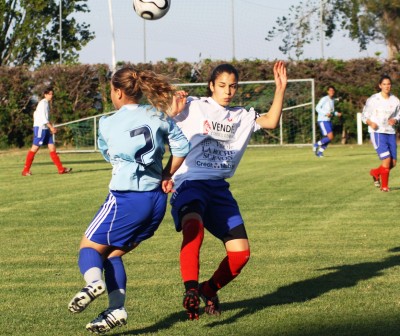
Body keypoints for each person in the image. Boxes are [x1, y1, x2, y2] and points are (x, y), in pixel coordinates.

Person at [67, 67, 190, 334]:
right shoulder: (158, 114)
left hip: (125, 198)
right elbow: (182, 147)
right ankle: (116, 309)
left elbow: (108, 155)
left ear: (118, 91)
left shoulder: (108, 123)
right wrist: (167, 172)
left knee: (88, 248)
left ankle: (93, 283)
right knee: (112, 253)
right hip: (156, 202)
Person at [169, 61, 287, 320]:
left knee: (241, 254)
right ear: (211, 85)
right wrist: (171, 106)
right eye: (222, 85)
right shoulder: (193, 106)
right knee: (193, 227)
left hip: (219, 190)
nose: (227, 91)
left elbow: (270, 121)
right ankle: (190, 289)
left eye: (232, 86)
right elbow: (162, 115)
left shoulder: (241, 116)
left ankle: (208, 290)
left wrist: (280, 89)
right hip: (189, 183)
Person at [362, 74, 400, 192]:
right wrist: (370, 123)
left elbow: (399, 115)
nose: (387, 86)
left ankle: (375, 172)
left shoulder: (395, 100)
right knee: (387, 160)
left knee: (393, 163)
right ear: (380, 86)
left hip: (390, 132)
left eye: (388, 84)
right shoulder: (373, 99)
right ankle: (384, 187)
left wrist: (395, 120)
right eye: (384, 84)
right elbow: (364, 115)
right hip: (377, 132)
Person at [21, 87, 72, 176]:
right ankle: (25, 170)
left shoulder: (46, 103)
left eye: (52, 94)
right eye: (49, 94)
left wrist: (48, 127)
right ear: (45, 95)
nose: (51, 96)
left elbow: (38, 115)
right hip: (41, 128)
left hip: (45, 129)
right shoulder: (43, 103)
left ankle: (60, 169)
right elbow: (43, 118)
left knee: (52, 148)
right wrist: (51, 127)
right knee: (34, 148)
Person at [313, 85, 342, 157]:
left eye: (333, 90)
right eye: (330, 90)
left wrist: (336, 113)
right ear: (327, 91)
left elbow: (331, 111)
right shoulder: (324, 99)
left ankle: (320, 152)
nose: (331, 92)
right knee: (330, 137)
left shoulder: (332, 100)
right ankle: (316, 144)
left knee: (329, 138)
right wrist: (326, 113)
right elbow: (317, 108)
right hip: (322, 120)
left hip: (328, 120)